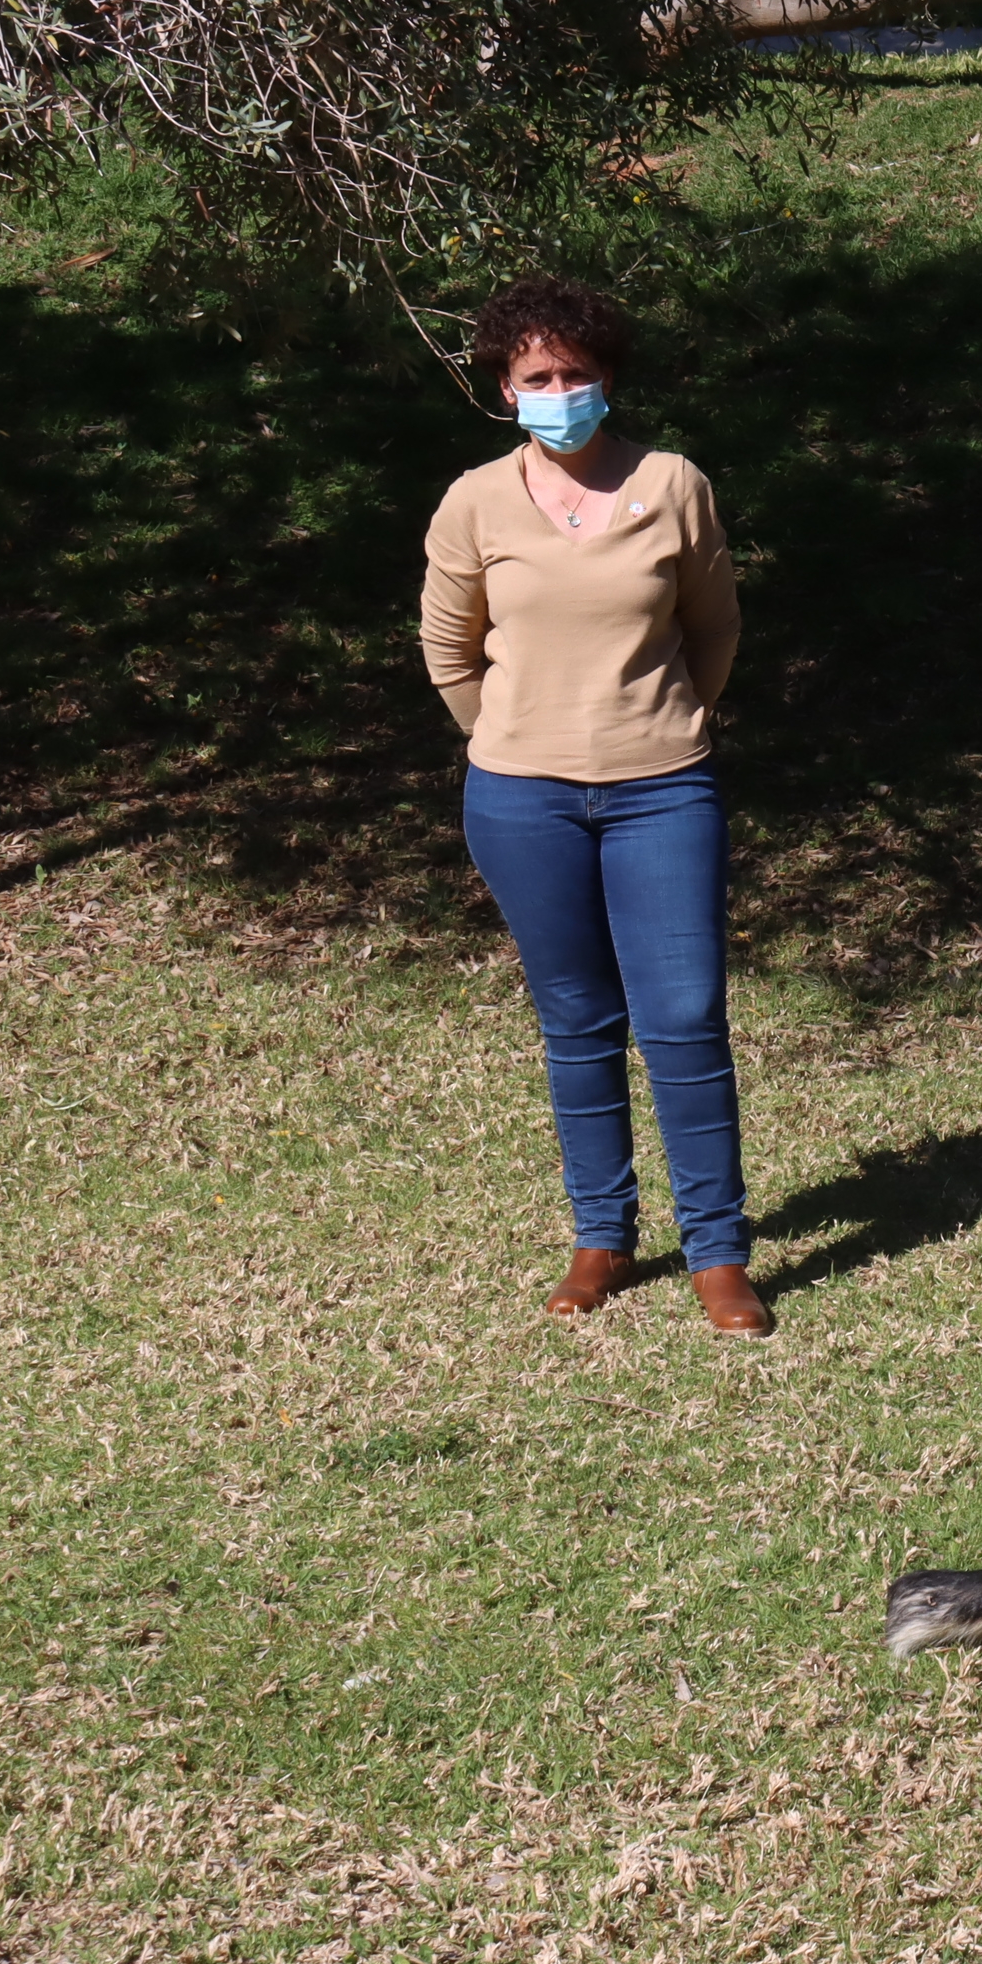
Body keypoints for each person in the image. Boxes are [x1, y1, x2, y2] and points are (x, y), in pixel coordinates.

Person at [420, 276, 765, 1335]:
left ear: (607, 379)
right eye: (537, 376)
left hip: (664, 788)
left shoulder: (672, 484)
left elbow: (714, 630)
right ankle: (601, 1235)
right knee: (576, 1021)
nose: (558, 390)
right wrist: (512, 739)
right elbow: (447, 647)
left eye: (576, 373)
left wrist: (657, 724)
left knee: (686, 1017)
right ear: (505, 387)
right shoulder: (474, 501)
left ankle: (717, 1252)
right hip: (521, 799)